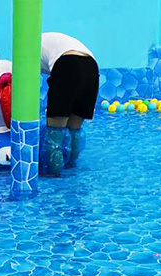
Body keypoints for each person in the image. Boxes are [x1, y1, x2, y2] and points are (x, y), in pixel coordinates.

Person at [40, 32, 99, 174]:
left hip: (67, 64)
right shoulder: (48, 41)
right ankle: (71, 167)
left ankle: (54, 174)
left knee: (54, 131)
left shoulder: (27, 50)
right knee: (74, 130)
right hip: (91, 67)